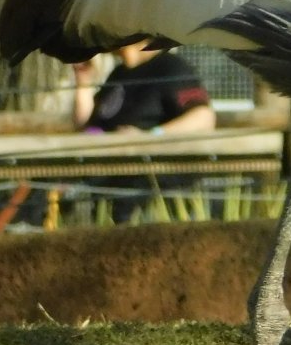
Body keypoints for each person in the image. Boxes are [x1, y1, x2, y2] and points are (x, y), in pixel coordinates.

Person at [72, 41, 216, 219]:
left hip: (150, 183)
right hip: (108, 177)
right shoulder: (119, 73)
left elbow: (203, 117)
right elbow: (86, 125)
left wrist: (150, 136)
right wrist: (83, 83)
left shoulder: (171, 67)